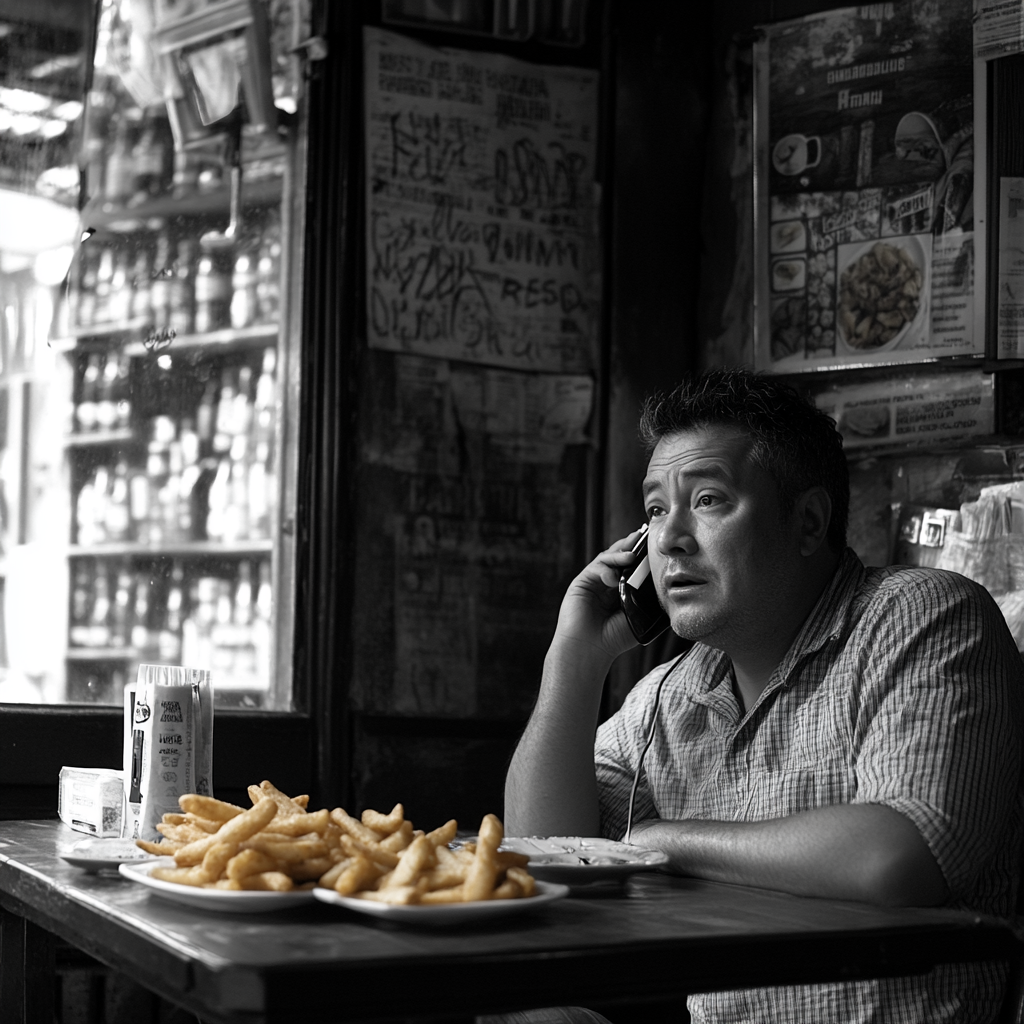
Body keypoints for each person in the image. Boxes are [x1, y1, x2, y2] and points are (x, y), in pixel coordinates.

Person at [504, 368, 1024, 1024]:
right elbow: (540, 853)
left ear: (808, 523)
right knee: (532, 1013)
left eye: (709, 500)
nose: (668, 539)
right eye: (656, 508)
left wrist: (663, 841)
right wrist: (574, 661)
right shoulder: (670, 692)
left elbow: (899, 858)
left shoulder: (920, 616)